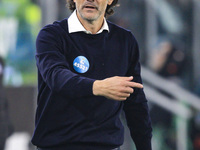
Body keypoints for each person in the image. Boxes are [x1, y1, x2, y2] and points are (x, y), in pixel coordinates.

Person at [31, 0, 152, 150]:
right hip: (57, 145)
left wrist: (145, 146)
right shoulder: (51, 35)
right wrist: (99, 87)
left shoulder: (125, 40)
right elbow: (56, 77)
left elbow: (136, 104)